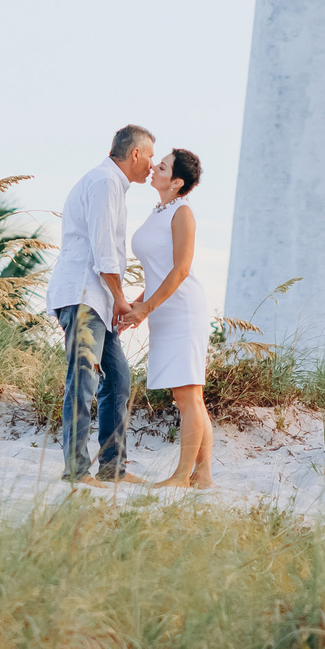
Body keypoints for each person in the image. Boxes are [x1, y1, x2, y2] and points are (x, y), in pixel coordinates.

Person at [43, 124, 152, 482]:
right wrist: (121, 299)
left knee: (118, 379)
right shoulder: (105, 183)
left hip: (98, 302)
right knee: (84, 382)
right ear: (135, 154)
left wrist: (113, 303)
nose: (152, 164)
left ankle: (111, 468)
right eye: (150, 155)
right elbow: (104, 251)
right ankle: (75, 469)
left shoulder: (112, 186)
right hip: (84, 298)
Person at [120, 146, 212, 488]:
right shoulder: (160, 210)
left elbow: (181, 269)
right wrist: (137, 305)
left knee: (188, 396)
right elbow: (157, 273)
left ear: (176, 182)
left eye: (162, 167)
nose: (154, 168)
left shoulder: (182, 212)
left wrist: (147, 307)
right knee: (189, 395)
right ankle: (203, 476)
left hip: (183, 310)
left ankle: (181, 476)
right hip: (164, 308)